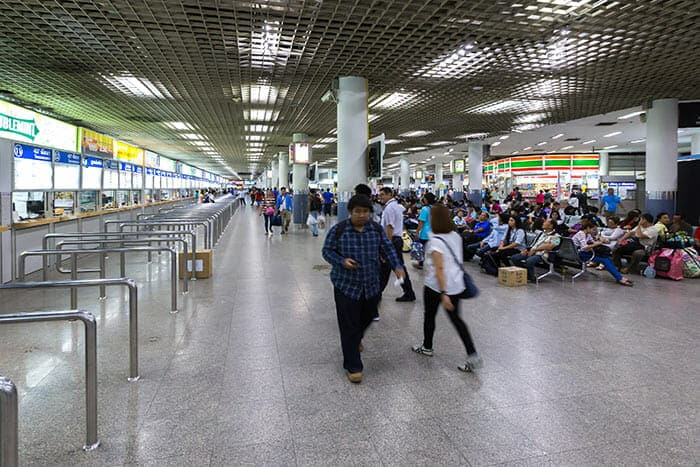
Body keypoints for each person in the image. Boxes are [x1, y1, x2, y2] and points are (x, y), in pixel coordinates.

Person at [322, 195, 405, 384]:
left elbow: (387, 248)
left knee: (368, 316)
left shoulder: (375, 229)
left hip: (371, 284)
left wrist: (397, 266)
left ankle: (356, 337)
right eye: (357, 211)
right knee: (349, 325)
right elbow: (327, 251)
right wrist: (342, 261)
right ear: (350, 212)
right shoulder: (339, 230)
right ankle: (353, 366)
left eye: (365, 211)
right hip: (346, 285)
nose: (361, 215)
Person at [411, 204, 482, 373]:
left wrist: (444, 293)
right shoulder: (455, 236)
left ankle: (427, 346)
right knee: (457, 320)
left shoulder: (435, 240)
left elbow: (439, 268)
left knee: (430, 316)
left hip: (437, 286)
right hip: (456, 284)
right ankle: (472, 355)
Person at [378, 187, 416, 302]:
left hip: (392, 240)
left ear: (390, 194)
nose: (381, 197)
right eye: (380, 195)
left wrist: (387, 245)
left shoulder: (389, 208)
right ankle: (408, 293)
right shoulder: (397, 206)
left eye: (383, 195)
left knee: (389, 268)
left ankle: (377, 294)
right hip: (396, 240)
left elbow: (390, 227)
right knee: (393, 268)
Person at [414, 192, 436, 269]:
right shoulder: (434, 208)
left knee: (420, 248)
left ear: (426, 199)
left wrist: (417, 232)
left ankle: (420, 263)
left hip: (424, 232)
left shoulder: (424, 209)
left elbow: (421, 222)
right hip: (433, 231)